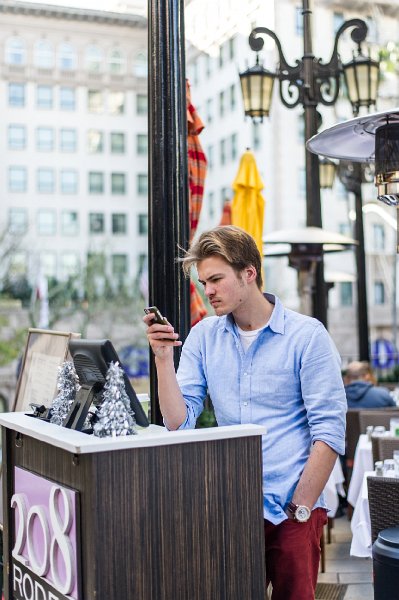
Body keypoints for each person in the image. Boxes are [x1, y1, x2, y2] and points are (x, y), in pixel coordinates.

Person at [144, 225, 346, 600]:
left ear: (248, 273)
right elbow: (178, 421)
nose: (210, 291)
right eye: (204, 282)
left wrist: (300, 510)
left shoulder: (307, 336)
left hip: (291, 509)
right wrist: (163, 359)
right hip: (231, 506)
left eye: (217, 279)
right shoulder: (204, 336)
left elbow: (329, 431)